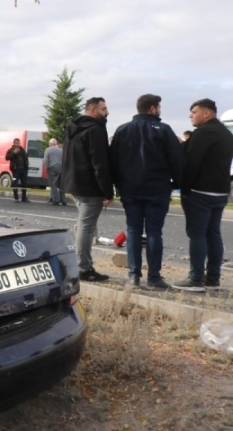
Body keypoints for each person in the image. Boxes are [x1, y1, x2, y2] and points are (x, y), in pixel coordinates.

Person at [109, 94, 183, 290]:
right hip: (157, 188)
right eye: (158, 107)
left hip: (130, 189)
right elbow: (176, 160)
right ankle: (154, 277)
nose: (160, 110)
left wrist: (118, 184)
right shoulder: (164, 130)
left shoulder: (123, 130)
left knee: (133, 230)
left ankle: (133, 275)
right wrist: (176, 183)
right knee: (154, 233)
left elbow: (113, 161)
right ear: (152, 109)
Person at [173, 98, 233, 292]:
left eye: (194, 112)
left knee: (197, 234)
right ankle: (213, 279)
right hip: (221, 190)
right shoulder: (226, 133)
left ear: (206, 113)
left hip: (200, 191)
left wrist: (184, 189)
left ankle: (196, 278)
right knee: (213, 233)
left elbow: (192, 164)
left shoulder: (202, 133)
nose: (191, 115)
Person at [59, 96, 113, 282]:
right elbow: (100, 163)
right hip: (89, 186)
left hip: (74, 184)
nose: (107, 112)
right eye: (103, 109)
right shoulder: (95, 130)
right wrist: (107, 190)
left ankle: (81, 265)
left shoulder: (73, 128)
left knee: (84, 226)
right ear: (92, 110)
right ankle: (83, 268)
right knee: (86, 227)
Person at [5, 138, 29, 202]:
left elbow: (25, 158)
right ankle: (16, 198)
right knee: (15, 182)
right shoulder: (11, 150)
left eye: (19, 143)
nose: (18, 144)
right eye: (17, 143)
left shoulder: (22, 150)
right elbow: (7, 157)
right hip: (15, 170)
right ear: (14, 143)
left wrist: (26, 167)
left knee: (24, 183)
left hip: (23, 169)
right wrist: (13, 153)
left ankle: (24, 198)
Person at [43, 138, 66, 206]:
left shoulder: (48, 150)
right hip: (61, 168)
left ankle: (56, 200)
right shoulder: (61, 150)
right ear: (56, 143)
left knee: (53, 185)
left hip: (52, 168)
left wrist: (46, 166)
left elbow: (46, 160)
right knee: (61, 185)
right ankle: (63, 200)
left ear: (50, 144)